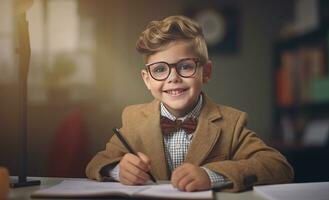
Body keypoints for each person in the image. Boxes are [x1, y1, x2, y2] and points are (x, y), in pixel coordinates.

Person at [86, 15, 294, 192]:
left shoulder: (232, 123)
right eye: (159, 69)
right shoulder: (132, 119)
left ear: (207, 72)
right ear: (147, 79)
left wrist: (210, 175)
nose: (172, 78)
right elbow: (95, 163)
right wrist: (118, 169)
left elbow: (278, 167)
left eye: (185, 66)